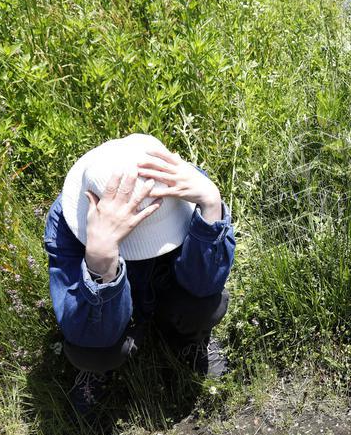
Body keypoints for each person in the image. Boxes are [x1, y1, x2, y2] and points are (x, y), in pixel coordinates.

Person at [43, 134, 236, 414]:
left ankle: (190, 338)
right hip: (116, 309)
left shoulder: (183, 184)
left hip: (168, 286)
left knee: (205, 305)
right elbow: (78, 326)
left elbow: (207, 283)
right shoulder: (67, 223)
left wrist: (210, 204)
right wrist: (100, 262)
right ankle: (101, 367)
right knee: (91, 351)